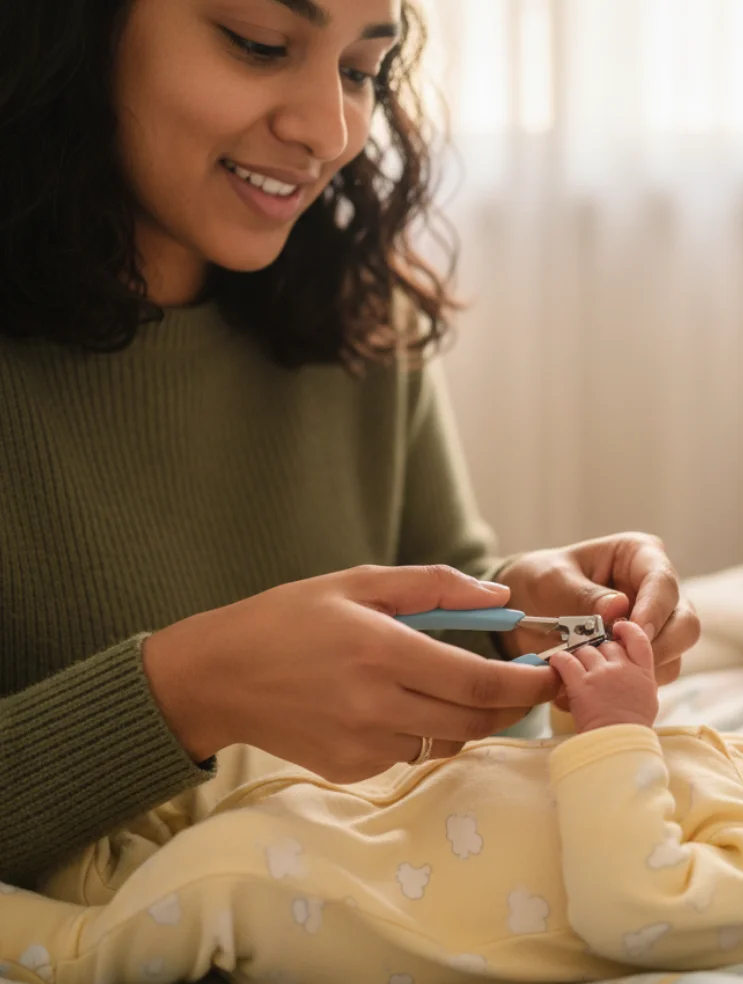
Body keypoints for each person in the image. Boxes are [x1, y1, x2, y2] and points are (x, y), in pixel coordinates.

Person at [0, 0, 700, 889]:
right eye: (259, 45)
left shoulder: (358, 313)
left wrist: (524, 615)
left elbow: (446, 589)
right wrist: (186, 693)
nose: (329, 131)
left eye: (361, 71)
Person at [0, 629, 743, 984]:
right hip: (376, 817)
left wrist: (617, 730)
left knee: (222, 877)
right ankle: (103, 862)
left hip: (347, 901)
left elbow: (634, 902)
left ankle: (74, 942)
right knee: (227, 759)